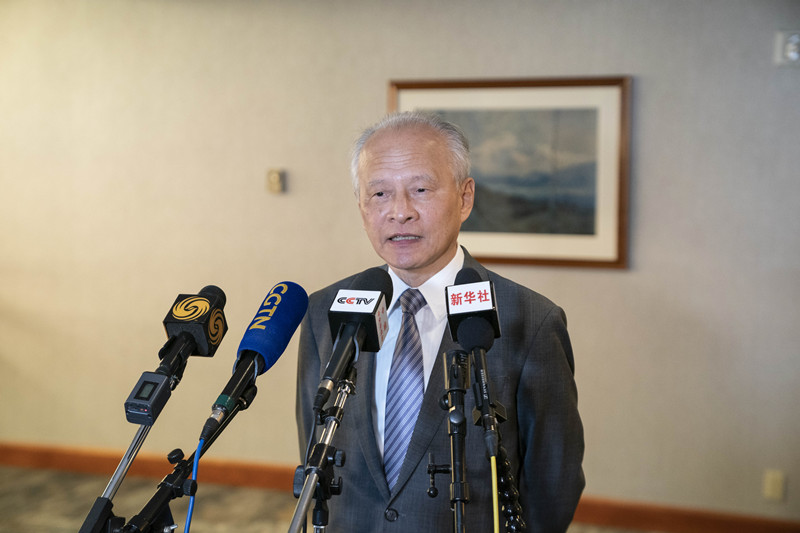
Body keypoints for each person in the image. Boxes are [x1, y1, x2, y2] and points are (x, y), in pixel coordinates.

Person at [296, 111, 584, 532]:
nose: (399, 212)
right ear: (360, 205)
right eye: (379, 193)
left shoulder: (531, 320)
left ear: (465, 198)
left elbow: (553, 484)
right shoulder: (325, 311)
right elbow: (314, 452)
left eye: (420, 189)